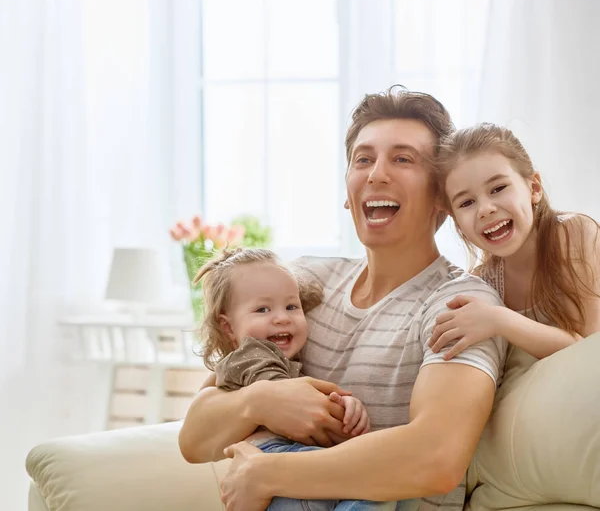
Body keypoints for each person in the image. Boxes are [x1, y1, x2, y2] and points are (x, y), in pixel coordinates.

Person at [178, 86, 508, 511]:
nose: (376, 174)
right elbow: (195, 438)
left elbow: (437, 459)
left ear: (441, 198)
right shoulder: (302, 287)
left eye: (402, 159)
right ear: (348, 195)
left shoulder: (461, 304)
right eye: (363, 160)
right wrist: (260, 401)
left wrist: (267, 473)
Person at [194, 246, 390, 510]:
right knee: (379, 482)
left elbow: (301, 403)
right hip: (274, 456)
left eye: (291, 306)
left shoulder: (288, 364)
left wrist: (346, 406)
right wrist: (338, 408)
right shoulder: (251, 354)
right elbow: (285, 397)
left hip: (287, 463)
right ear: (228, 327)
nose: (282, 318)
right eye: (262, 310)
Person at [429, 123, 600, 369]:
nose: (486, 209)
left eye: (498, 188)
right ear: (455, 220)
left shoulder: (573, 233)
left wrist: (499, 320)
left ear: (534, 188)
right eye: (467, 202)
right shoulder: (485, 282)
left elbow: (587, 349)